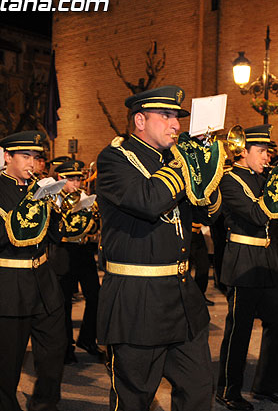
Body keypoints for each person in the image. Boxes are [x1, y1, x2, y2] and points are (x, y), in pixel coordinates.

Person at [96, 85, 224, 411]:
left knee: (198, 390)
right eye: (166, 116)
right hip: (136, 299)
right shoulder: (114, 158)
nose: (176, 124)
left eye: (177, 117)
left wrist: (206, 172)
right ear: (140, 120)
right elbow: (148, 200)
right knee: (134, 399)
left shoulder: (172, 160)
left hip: (181, 297)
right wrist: (186, 165)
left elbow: (207, 213)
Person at [0, 131, 66, 411]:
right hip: (9, 282)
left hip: (44, 281)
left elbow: (55, 236)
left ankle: (45, 404)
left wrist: (56, 206)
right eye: (25, 156)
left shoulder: (40, 187)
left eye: (35, 157)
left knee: (53, 351)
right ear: (7, 157)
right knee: (8, 359)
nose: (32, 163)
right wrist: (32, 204)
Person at [216, 124, 278, 411]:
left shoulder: (263, 178)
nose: (267, 157)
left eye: (268, 152)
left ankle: (267, 385)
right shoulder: (229, 180)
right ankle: (227, 390)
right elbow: (256, 214)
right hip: (242, 261)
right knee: (239, 330)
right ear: (243, 151)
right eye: (262, 151)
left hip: (266, 260)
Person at [51, 160, 104, 364]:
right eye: (70, 179)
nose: (76, 183)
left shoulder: (83, 196)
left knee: (95, 296)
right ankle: (66, 347)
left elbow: (94, 227)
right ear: (60, 178)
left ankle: (87, 339)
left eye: (78, 179)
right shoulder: (54, 198)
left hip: (83, 251)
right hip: (63, 252)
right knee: (64, 302)